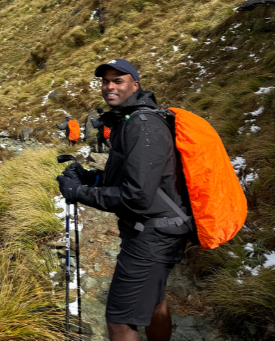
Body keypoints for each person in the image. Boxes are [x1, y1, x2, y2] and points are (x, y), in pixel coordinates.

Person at [56, 59, 192, 341]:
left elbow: (137, 196)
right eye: (106, 81)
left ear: (135, 85)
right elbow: (137, 178)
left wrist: (77, 192)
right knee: (155, 301)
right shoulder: (133, 119)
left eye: (118, 80)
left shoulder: (142, 125)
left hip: (152, 235)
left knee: (119, 319)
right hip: (161, 228)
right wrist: (90, 177)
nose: (109, 87)